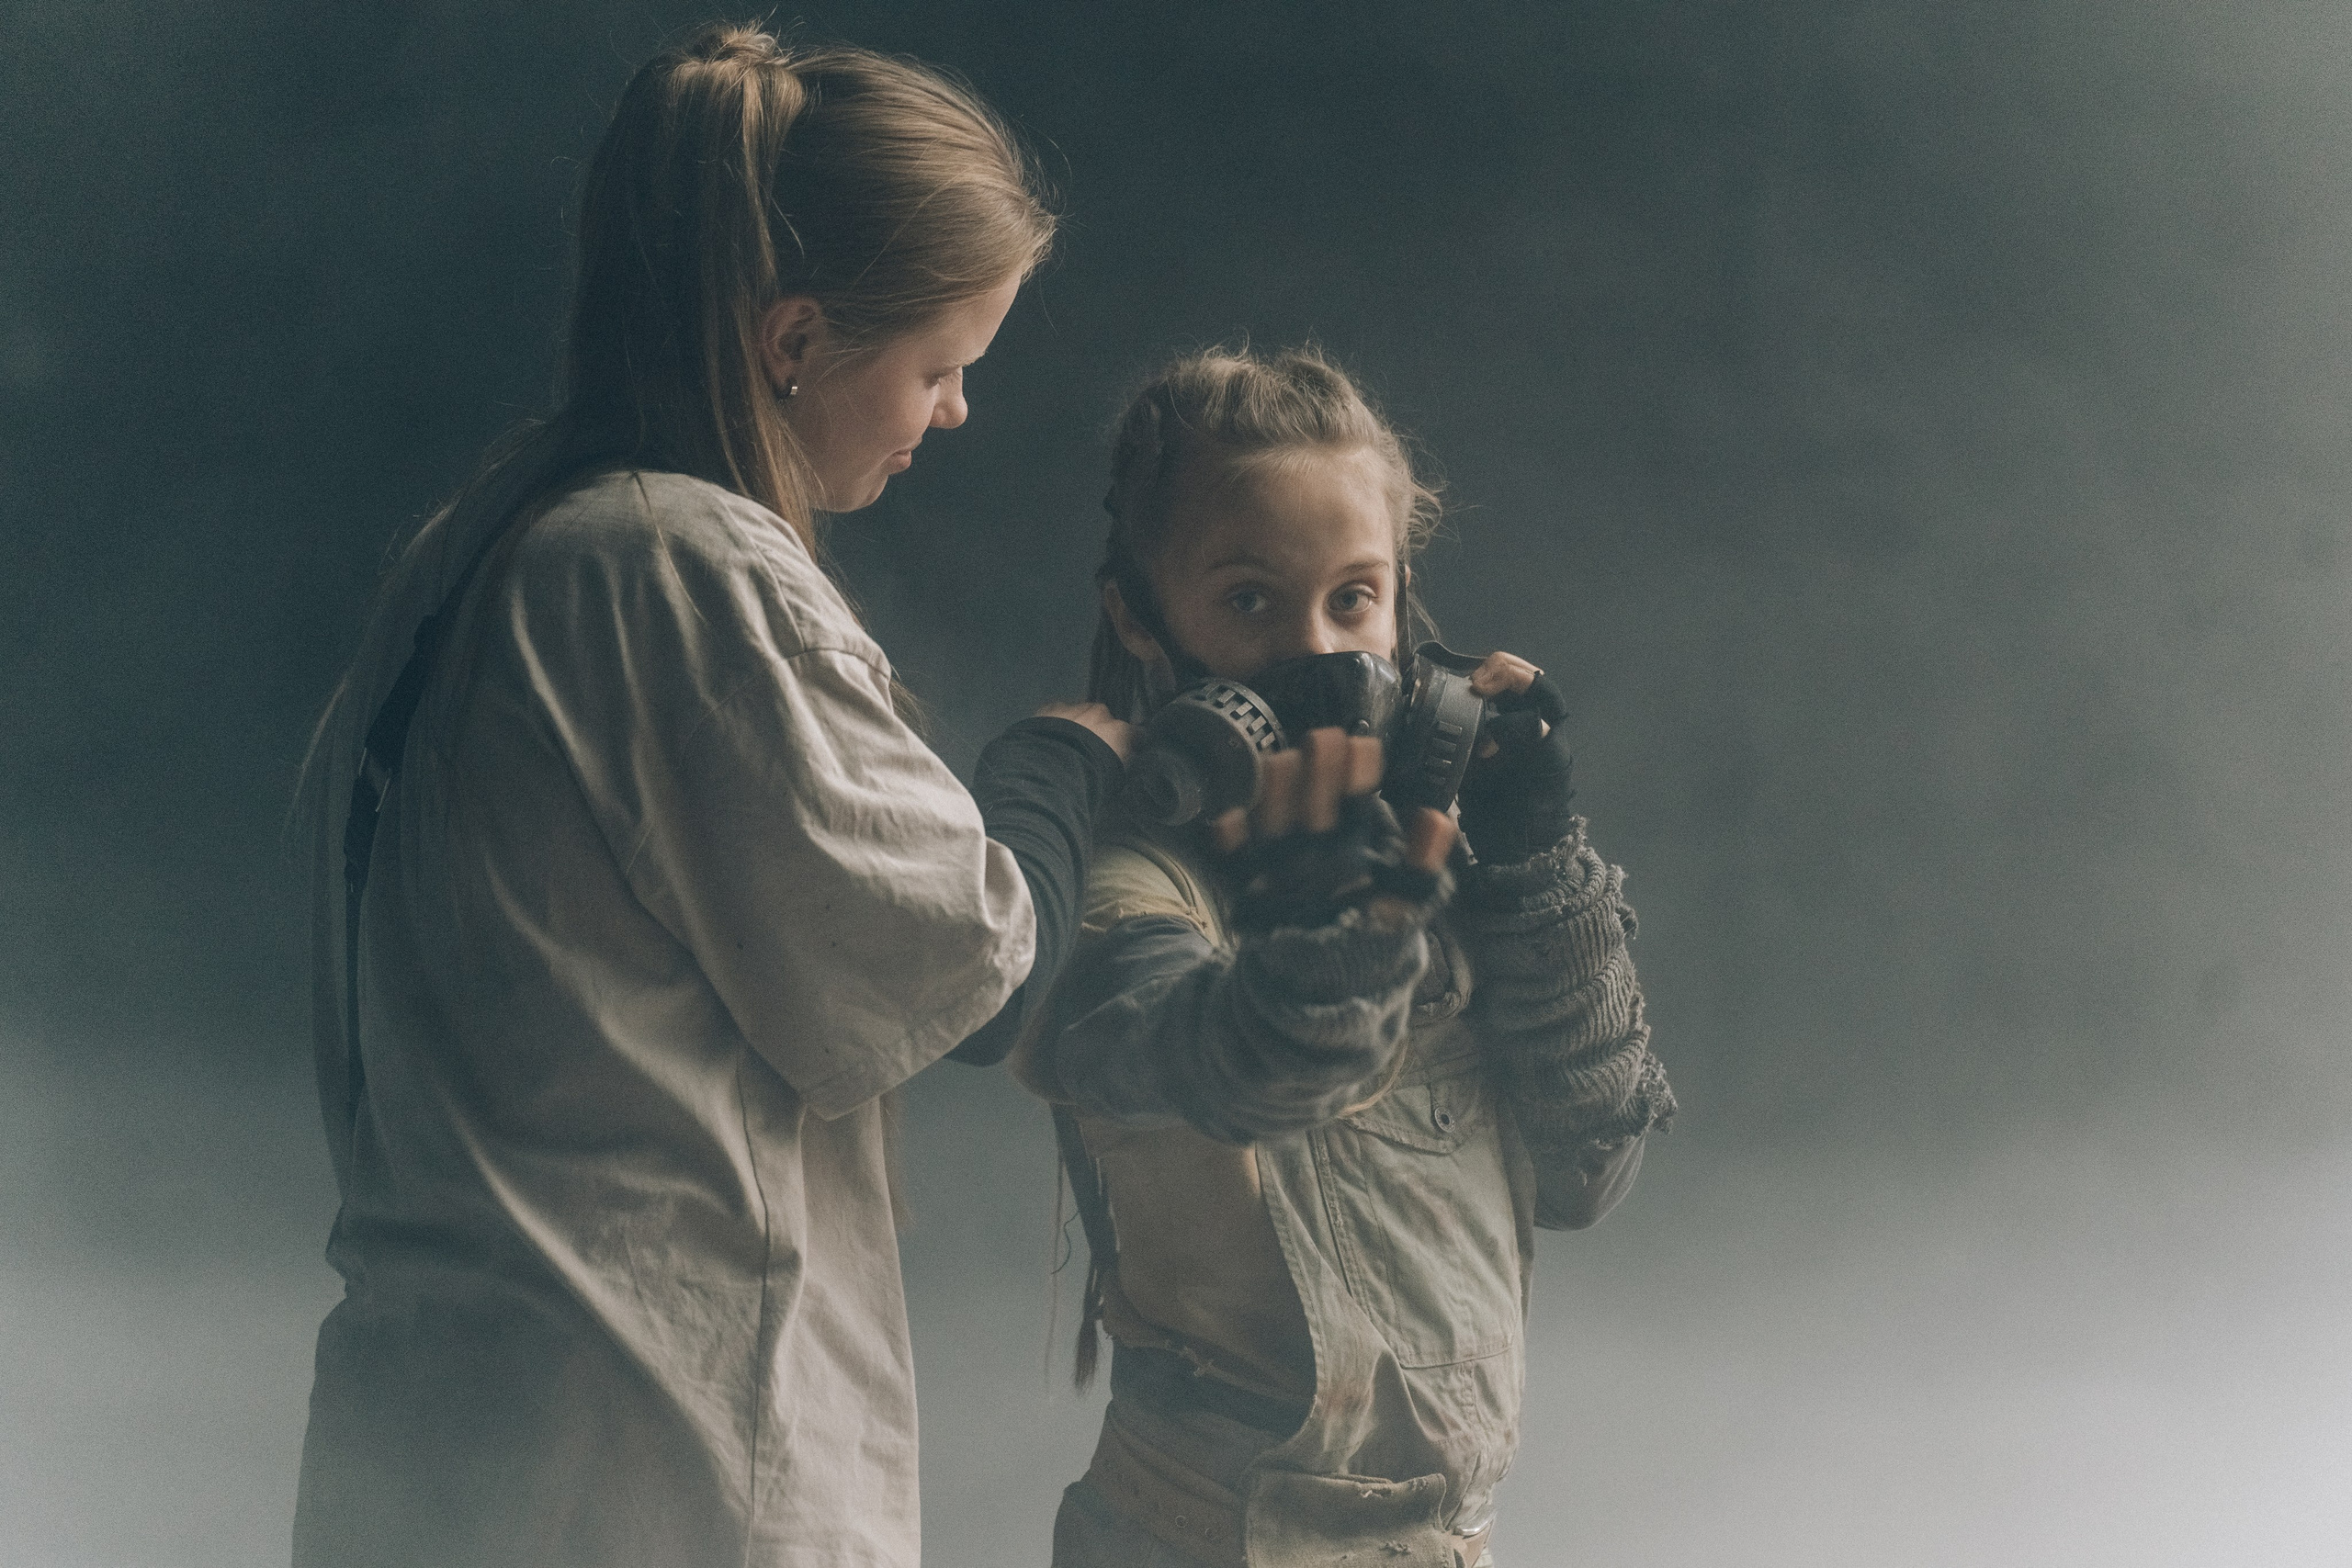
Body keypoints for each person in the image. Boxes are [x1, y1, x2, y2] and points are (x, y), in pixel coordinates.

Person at [290, 27, 1130, 1568]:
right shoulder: (683, 568)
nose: (954, 412)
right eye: (940, 367)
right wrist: (1064, 766)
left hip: (429, 1438)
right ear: (795, 338)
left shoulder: (477, 544)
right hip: (645, 1455)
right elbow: (975, 974)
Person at [1011, 346, 1678, 1567]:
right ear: (1140, 617)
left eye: (1354, 599)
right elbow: (1252, 1070)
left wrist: (1538, 872)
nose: (1316, 654)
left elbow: (1589, 1172)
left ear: (1402, 599)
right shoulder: (1120, 890)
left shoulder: (1430, 870)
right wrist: (1323, 921)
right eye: (1250, 602)